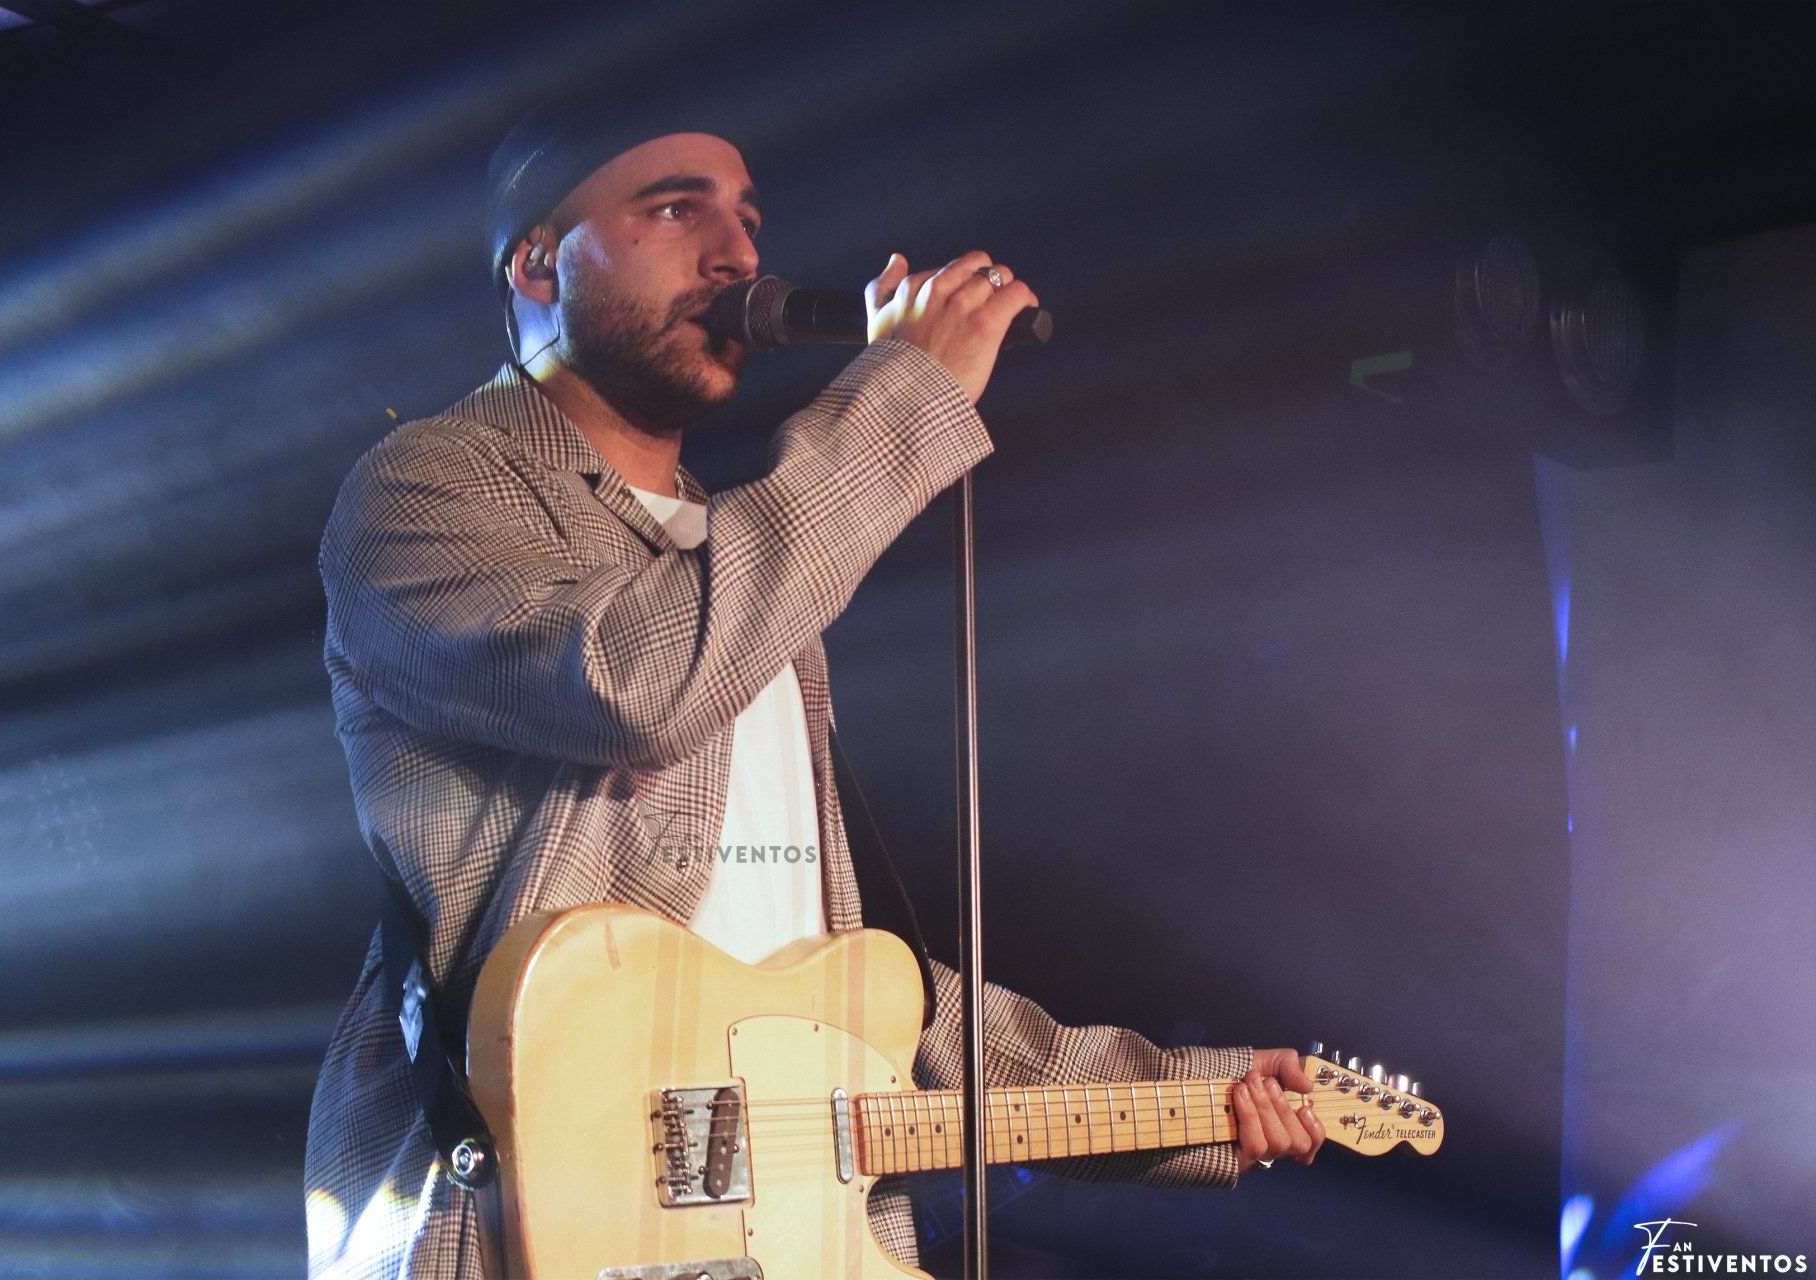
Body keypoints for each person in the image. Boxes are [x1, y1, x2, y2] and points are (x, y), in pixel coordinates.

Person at [303, 100, 1323, 1280]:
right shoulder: (427, 487)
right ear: (539, 264)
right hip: (520, 1228)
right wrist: (904, 397)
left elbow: (848, 976)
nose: (737, 254)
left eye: (748, 218)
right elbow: (631, 688)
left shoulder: (745, 563)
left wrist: (1196, 1097)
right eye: (674, 208)